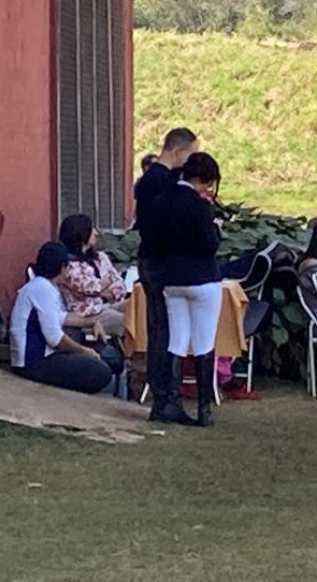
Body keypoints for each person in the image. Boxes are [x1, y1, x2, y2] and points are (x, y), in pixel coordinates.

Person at [152, 152, 225, 427]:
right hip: (203, 278)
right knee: (204, 343)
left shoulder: (161, 202)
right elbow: (209, 244)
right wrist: (216, 229)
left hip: (172, 279)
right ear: (205, 180)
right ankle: (204, 409)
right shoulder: (199, 206)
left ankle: (172, 402)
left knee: (177, 340)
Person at [134, 126, 199, 423]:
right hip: (160, 263)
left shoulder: (153, 180)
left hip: (155, 261)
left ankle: (166, 397)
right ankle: (164, 398)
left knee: (164, 329)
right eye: (191, 153)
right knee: (164, 330)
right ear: (178, 150)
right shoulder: (159, 183)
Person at [10, 242, 113, 394]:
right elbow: (55, 339)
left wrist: (92, 322)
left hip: (38, 358)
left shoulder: (44, 286)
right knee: (100, 372)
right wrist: (84, 351)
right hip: (33, 362)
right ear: (61, 268)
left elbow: (61, 317)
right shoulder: (42, 288)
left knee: (103, 358)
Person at [57, 214, 127, 336]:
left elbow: (120, 284)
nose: (95, 232)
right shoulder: (68, 265)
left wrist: (102, 289)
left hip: (108, 304)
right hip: (89, 315)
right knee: (126, 321)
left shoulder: (100, 257)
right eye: (91, 229)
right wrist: (103, 286)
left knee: (138, 309)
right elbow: (91, 287)